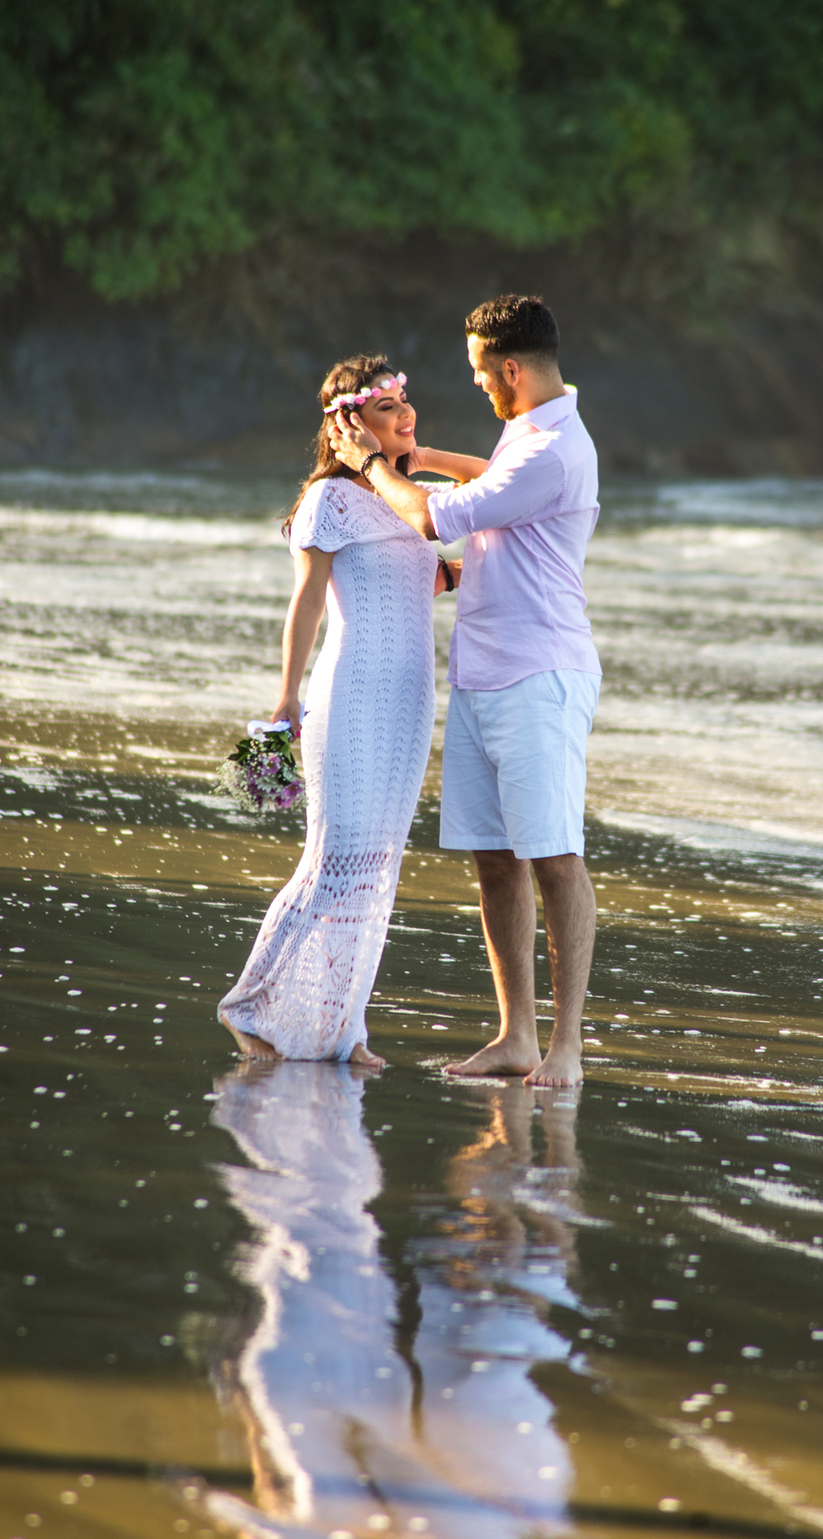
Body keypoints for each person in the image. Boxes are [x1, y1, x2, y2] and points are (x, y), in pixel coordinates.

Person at [330, 295, 601, 1087]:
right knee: (496, 861)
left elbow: (433, 520)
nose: (477, 384)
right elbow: (487, 482)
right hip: (482, 673)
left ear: (511, 369)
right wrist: (425, 455)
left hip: (539, 675)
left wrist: (374, 465)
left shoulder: (553, 448)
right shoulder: (526, 433)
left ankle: (566, 1047)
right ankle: (516, 1036)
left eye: (482, 372)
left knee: (555, 858)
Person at [218, 354, 454, 1065]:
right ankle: (250, 1005)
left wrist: (419, 461)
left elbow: (488, 497)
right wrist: (286, 694)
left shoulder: (413, 498)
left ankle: (341, 1028)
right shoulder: (330, 498)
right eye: (387, 407)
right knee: (334, 856)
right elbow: (309, 602)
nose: (405, 413)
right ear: (348, 425)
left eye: (405, 402)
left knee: (377, 862)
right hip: (349, 692)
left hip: (411, 697)